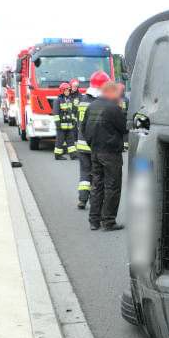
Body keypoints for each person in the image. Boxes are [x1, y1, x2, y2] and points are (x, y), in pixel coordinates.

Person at [82, 81, 127, 231]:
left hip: (95, 151)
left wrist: (92, 144)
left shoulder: (92, 106)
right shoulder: (113, 108)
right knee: (112, 187)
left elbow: (84, 128)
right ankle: (108, 221)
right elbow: (124, 127)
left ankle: (94, 220)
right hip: (110, 152)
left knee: (97, 185)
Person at [75, 70, 111, 209]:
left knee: (84, 172)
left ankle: (82, 199)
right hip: (95, 145)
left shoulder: (83, 100)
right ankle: (95, 202)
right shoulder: (101, 103)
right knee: (97, 174)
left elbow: (79, 123)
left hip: (82, 142)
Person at [52, 83, 77, 160]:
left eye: (68, 90)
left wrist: (73, 120)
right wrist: (58, 124)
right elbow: (55, 113)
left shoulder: (69, 100)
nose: (68, 92)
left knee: (71, 141)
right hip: (61, 126)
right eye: (66, 90)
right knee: (60, 141)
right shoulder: (57, 100)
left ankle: (73, 155)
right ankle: (58, 155)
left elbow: (71, 112)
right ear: (62, 91)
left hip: (69, 125)